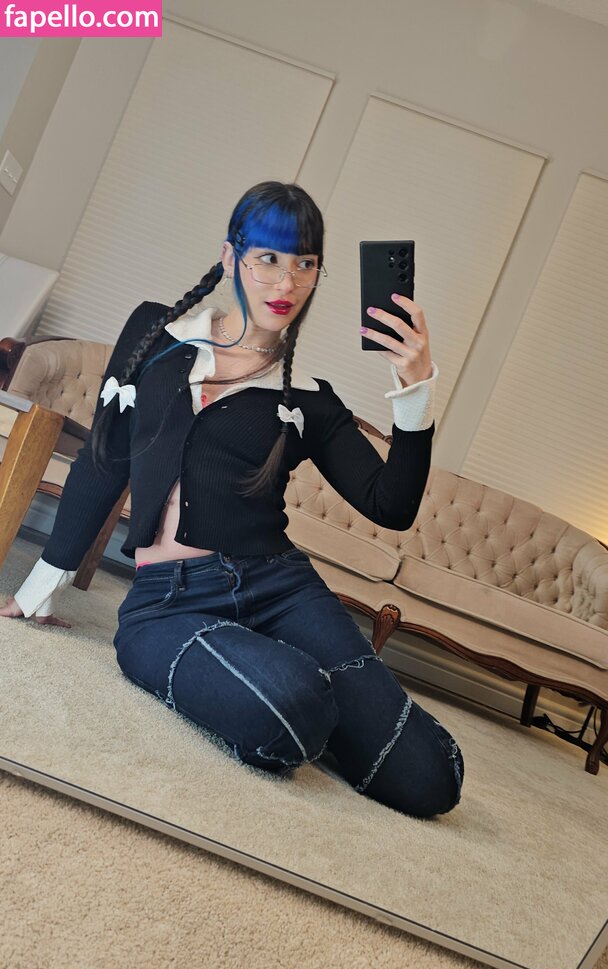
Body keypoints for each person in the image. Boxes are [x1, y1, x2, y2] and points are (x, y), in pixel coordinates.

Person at [0, 180, 464, 819]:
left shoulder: (310, 401)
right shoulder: (156, 335)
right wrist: (38, 588)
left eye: (305, 264)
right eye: (268, 258)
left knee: (431, 780)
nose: (286, 282)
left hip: (283, 588)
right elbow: (104, 460)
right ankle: (293, 687)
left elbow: (393, 506)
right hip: (167, 604)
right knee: (295, 703)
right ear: (229, 256)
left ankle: (331, 699)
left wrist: (416, 390)